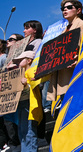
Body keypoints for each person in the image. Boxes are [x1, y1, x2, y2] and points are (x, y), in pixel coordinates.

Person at [47, 0, 83, 102]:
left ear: (78, 10)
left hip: (78, 72)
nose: (65, 10)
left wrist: (78, 58)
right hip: (64, 76)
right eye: (63, 8)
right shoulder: (62, 32)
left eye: (69, 7)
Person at [13, 21, 43, 152]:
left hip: (29, 92)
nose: (24, 31)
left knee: (28, 129)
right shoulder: (23, 45)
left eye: (27, 28)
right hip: (20, 95)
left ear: (35, 30)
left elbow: (33, 61)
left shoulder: (37, 43)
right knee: (22, 130)